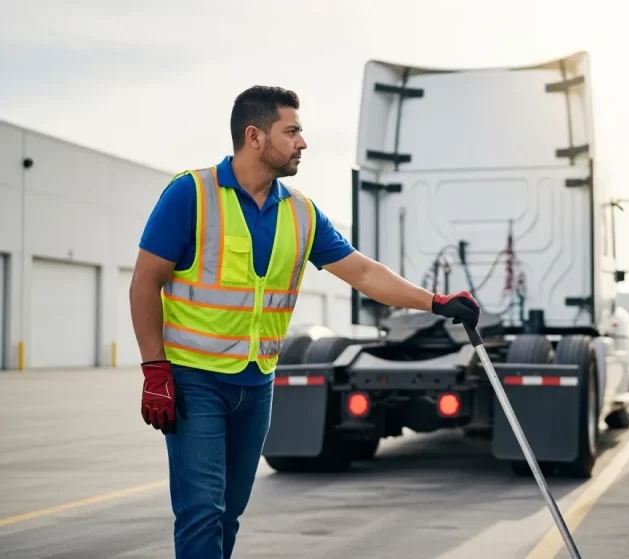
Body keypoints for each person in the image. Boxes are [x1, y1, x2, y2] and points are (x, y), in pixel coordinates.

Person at [128, 85, 480, 559]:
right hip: (195, 381)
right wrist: (155, 370)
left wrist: (435, 302)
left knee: (229, 513)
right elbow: (145, 281)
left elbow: (363, 273)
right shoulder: (191, 194)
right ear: (254, 136)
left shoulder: (301, 212)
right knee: (202, 511)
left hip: (257, 384)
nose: (302, 142)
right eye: (291, 131)